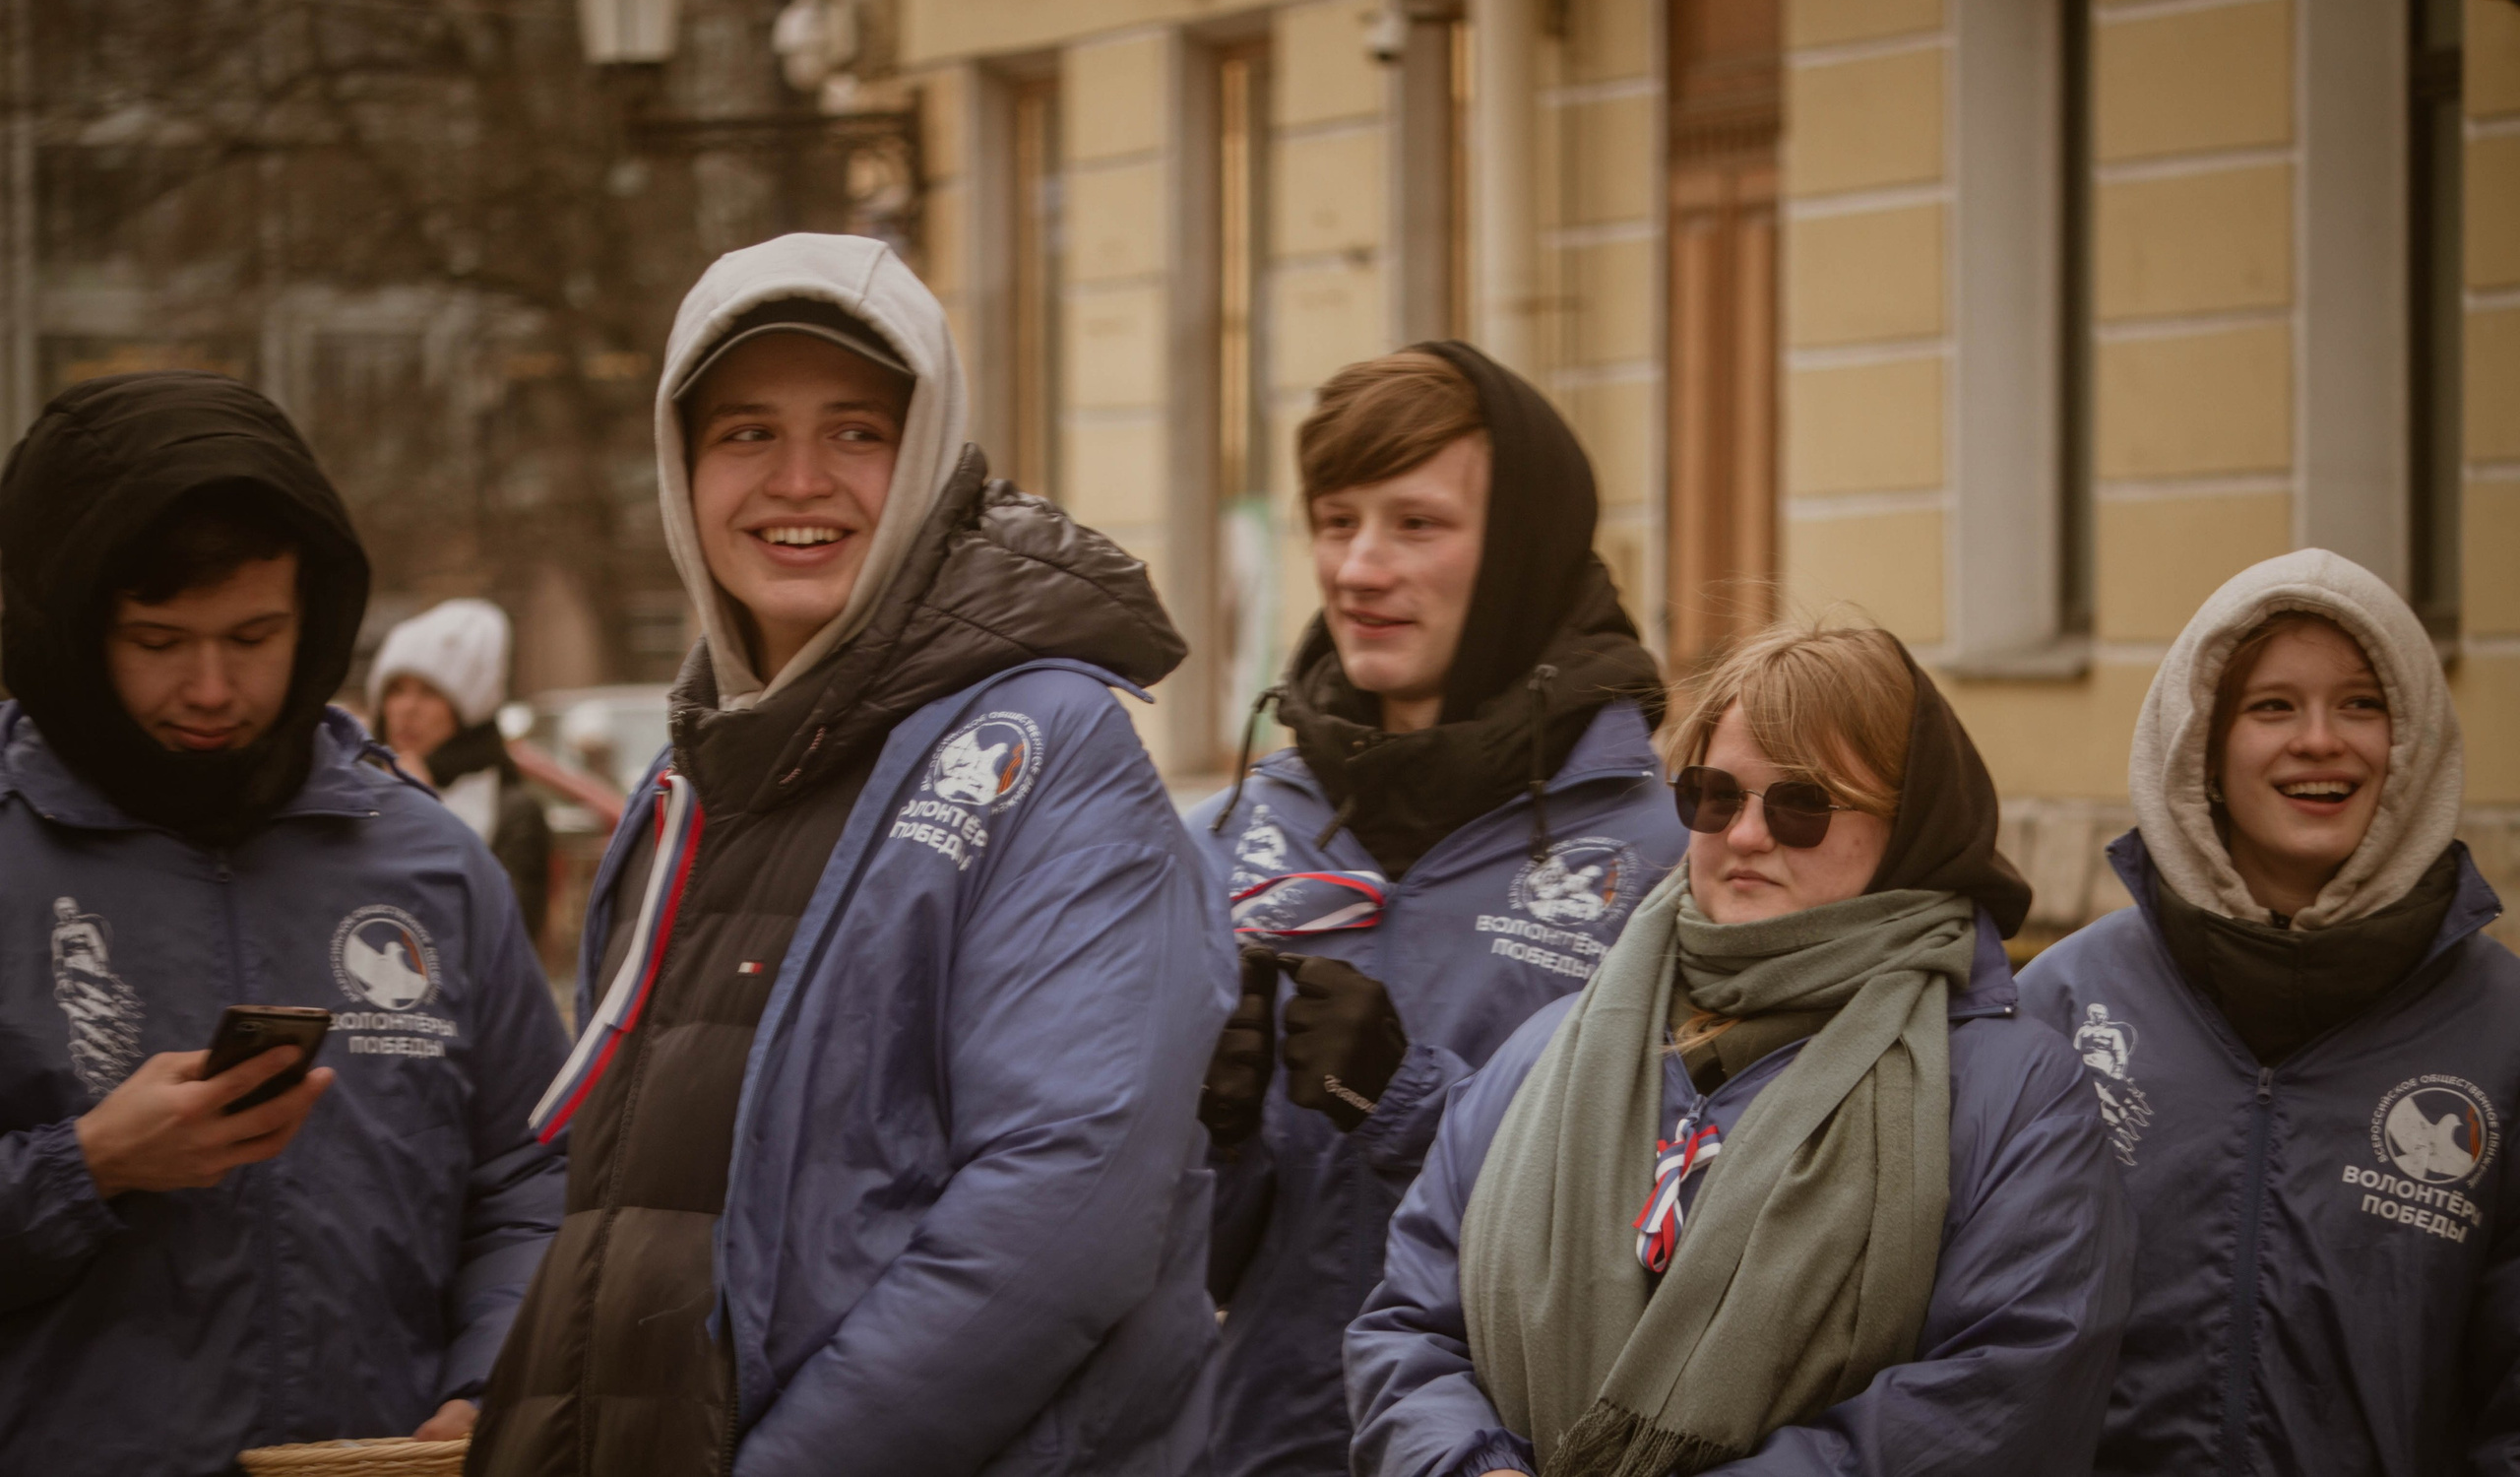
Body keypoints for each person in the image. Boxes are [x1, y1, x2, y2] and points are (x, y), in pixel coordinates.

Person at [466, 232, 1234, 1477]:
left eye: (859, 433)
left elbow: (1062, 1215)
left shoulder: (1045, 747)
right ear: (681, 466)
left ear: (927, 455)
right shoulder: (689, 773)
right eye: (747, 432)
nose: (799, 481)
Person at [1349, 616, 2136, 1477]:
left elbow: (1998, 1403)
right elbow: (1408, 1327)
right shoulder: (1545, 1049)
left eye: (1802, 803)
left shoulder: (2013, 1091)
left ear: (1911, 823)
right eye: (1714, 795)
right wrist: (1473, 1467)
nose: (1748, 834)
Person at [0, 371, 569, 1473]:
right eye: (160, 642)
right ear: (70, 631)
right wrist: (90, 1165)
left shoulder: (430, 860)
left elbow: (531, 1182)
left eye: (255, 635)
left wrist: (487, 1376)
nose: (214, 687)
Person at [1185, 345, 1683, 1477]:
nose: (1358, 566)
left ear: (1514, 554)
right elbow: (1160, 1277)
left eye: (1415, 524)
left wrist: (1413, 1108)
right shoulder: (1224, 840)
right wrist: (1204, 1147)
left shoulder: (1672, 858)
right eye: (1334, 519)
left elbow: (1678, 1239)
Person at [2019, 548, 2520, 1474]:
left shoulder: (2502, 1032)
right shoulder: (2064, 1003)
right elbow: (1984, 1340)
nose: (2321, 740)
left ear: (2411, 740)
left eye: (2363, 702)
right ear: (2201, 744)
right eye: (2272, 706)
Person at [370, 598, 553, 935]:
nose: (407, 709)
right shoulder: (354, 786)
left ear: (466, 709)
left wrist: (423, 818)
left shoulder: (513, 811)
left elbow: (508, 937)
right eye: (396, 690)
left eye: (429, 693)